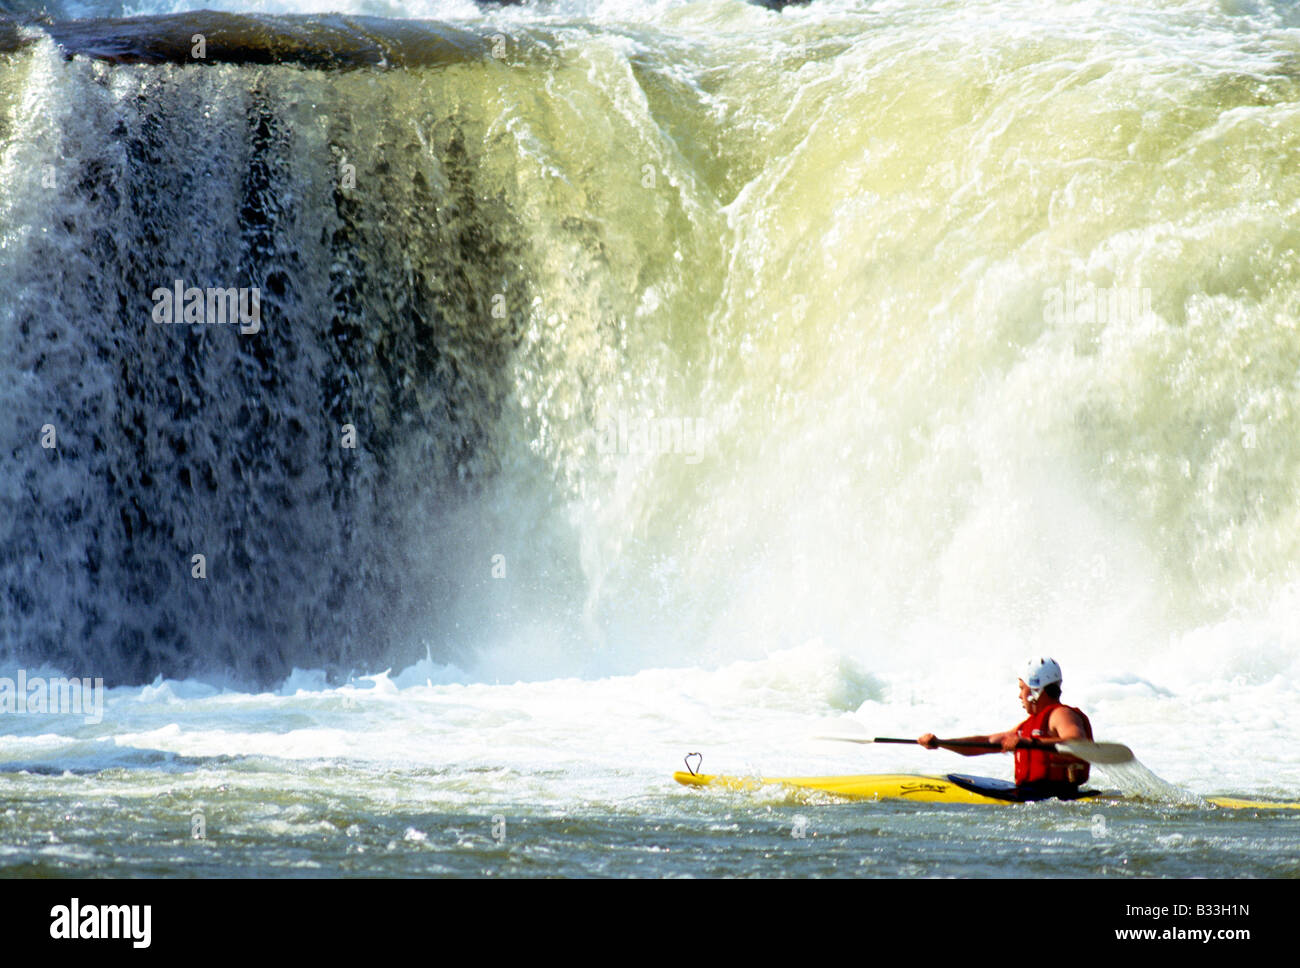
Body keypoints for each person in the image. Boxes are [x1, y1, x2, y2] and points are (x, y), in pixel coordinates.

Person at [916, 657, 1094, 800]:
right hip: (1033, 796)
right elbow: (985, 743)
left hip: (1060, 796)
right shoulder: (1028, 725)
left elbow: (1076, 742)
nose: (1019, 695)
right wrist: (941, 743)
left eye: (1021, 688)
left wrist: (1027, 743)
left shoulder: (1061, 714)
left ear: (1035, 690)